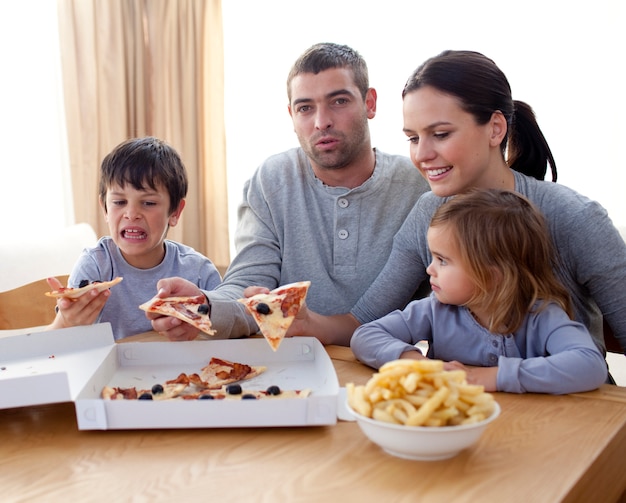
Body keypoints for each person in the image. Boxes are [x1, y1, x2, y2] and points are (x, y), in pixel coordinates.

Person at [296, 49, 626, 362]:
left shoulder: (574, 217)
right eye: (413, 138)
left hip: (569, 414)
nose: (422, 155)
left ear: (496, 128)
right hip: (463, 414)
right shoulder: (428, 213)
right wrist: (308, 323)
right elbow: (366, 320)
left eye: (440, 134)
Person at [148, 42, 429, 341]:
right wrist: (204, 306)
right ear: (291, 115)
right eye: (305, 108)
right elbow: (248, 286)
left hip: (390, 369)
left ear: (369, 102)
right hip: (293, 370)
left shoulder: (419, 185)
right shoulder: (270, 180)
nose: (322, 122)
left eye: (339, 101)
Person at [350, 188, 608, 394]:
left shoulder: (541, 315)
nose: (430, 269)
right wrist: (416, 362)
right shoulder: (434, 309)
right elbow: (365, 336)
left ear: (492, 274)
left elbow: (589, 364)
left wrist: (494, 377)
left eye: (443, 260)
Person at [46, 136, 222, 340]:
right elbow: (56, 346)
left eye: (148, 203)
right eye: (119, 202)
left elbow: (228, 334)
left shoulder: (199, 272)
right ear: (104, 207)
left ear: (174, 212)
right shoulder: (95, 266)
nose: (131, 213)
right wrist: (66, 322)